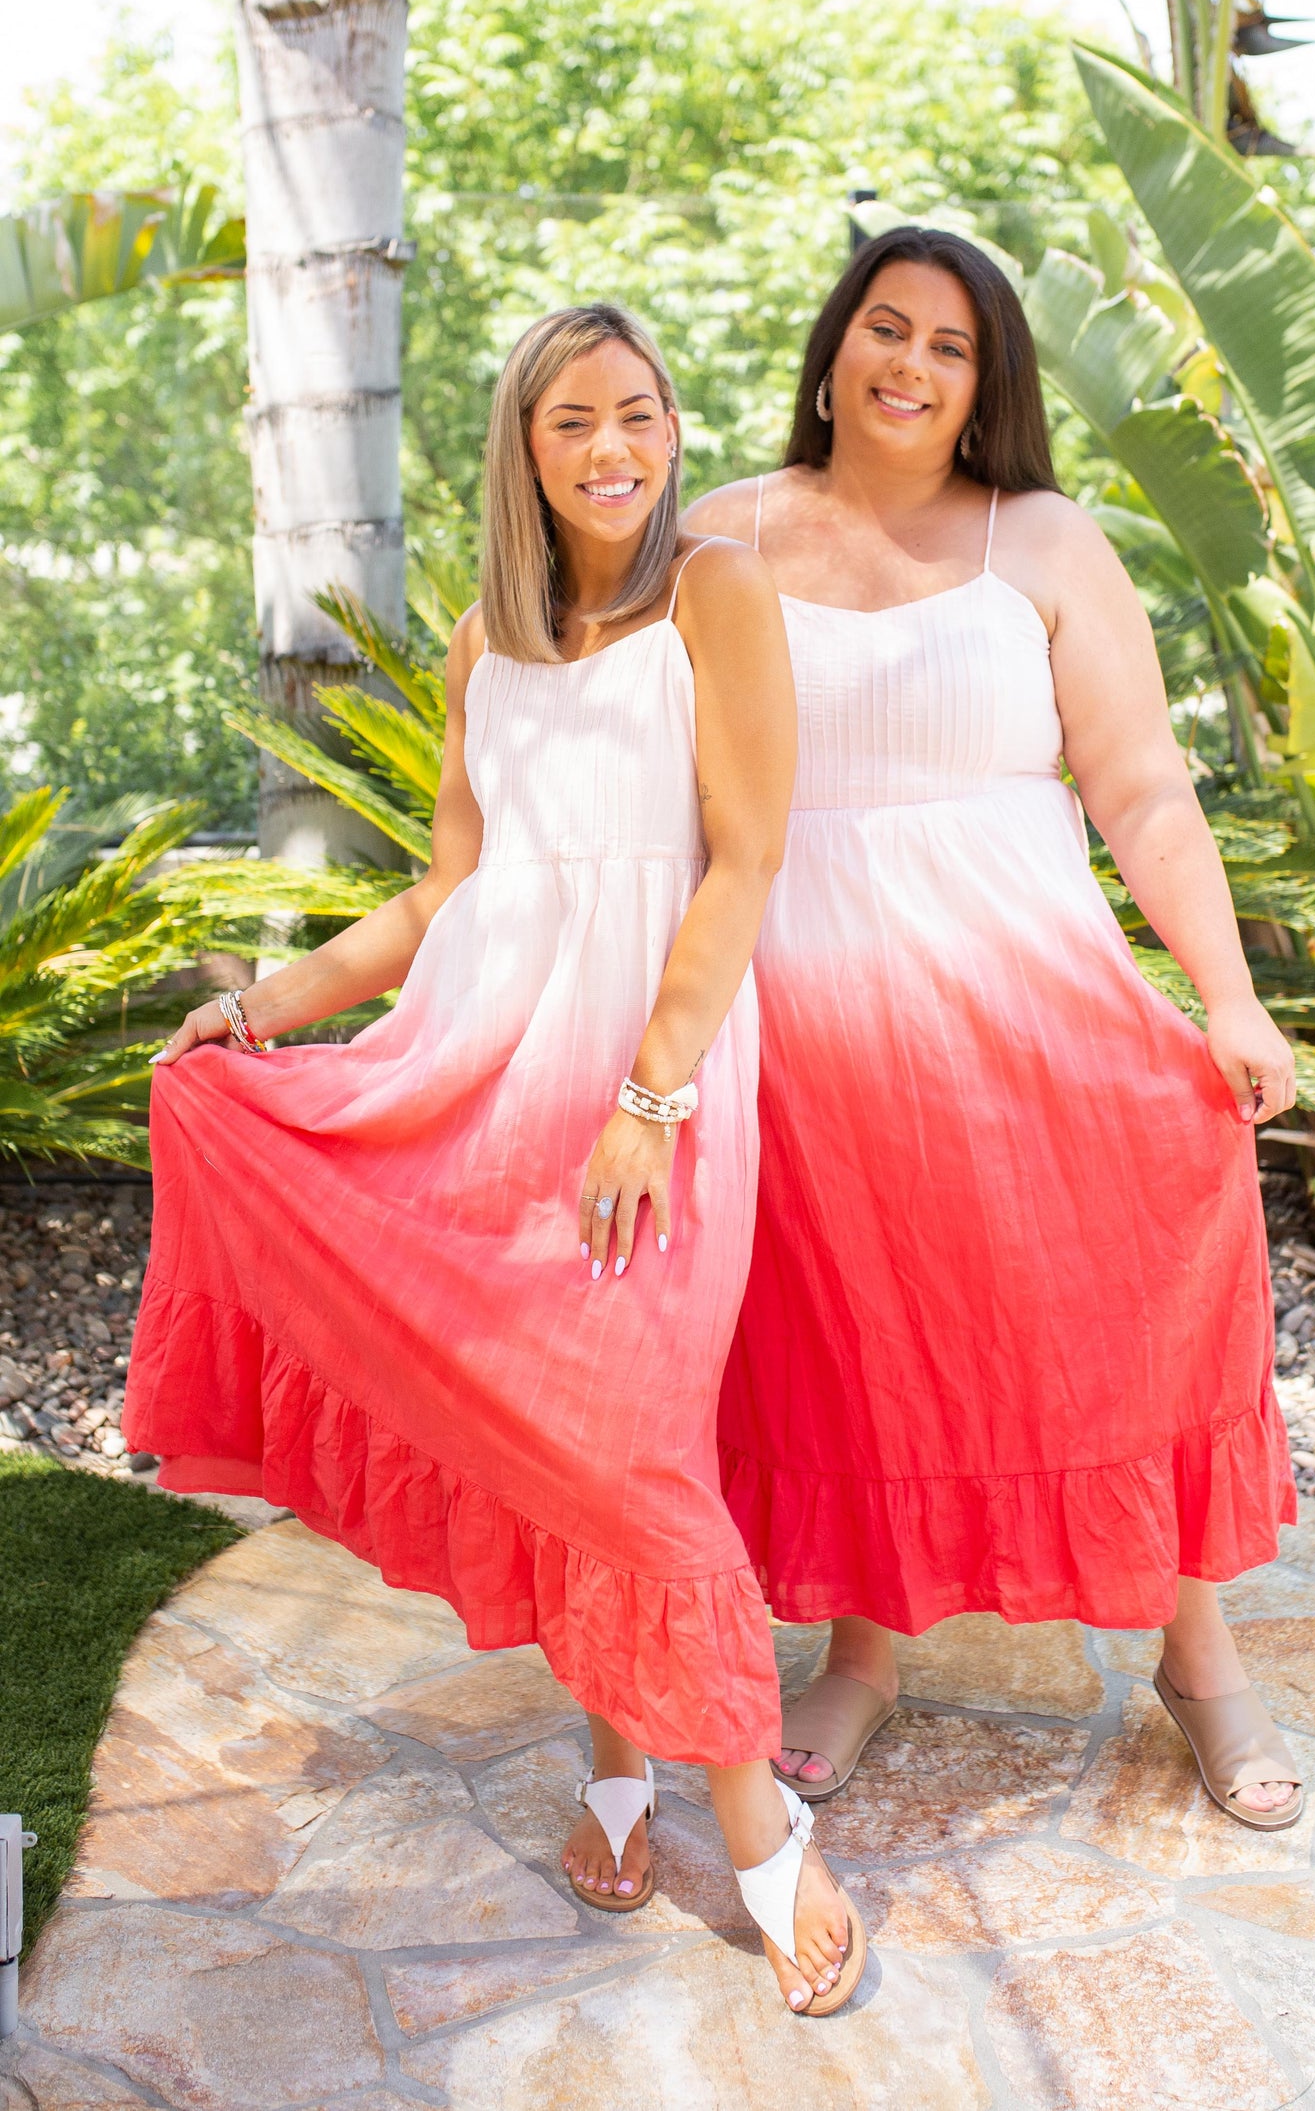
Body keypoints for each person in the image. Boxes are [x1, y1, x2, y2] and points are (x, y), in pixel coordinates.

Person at [125, 302, 867, 2011]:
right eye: (572, 422)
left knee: (630, 1437)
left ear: (673, 426)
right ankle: (616, 1766)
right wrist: (266, 1006)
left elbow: (744, 861)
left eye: (639, 413)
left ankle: (754, 1827)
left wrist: (650, 1095)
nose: (613, 449)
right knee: (551, 1427)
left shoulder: (718, 594)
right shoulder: (486, 639)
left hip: (652, 1080)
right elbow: (445, 893)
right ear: (523, 451)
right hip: (480, 1068)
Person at [689, 230, 1303, 1831]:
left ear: (986, 384)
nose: (909, 363)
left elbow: (1139, 787)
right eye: (884, 327)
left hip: (1033, 1008)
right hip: (804, 1027)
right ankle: (862, 1654)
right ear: (834, 348)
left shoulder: (1040, 537)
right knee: (851, 1346)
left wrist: (1227, 996)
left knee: (1109, 1311)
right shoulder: (716, 535)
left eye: (949, 346)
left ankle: (1197, 1657)